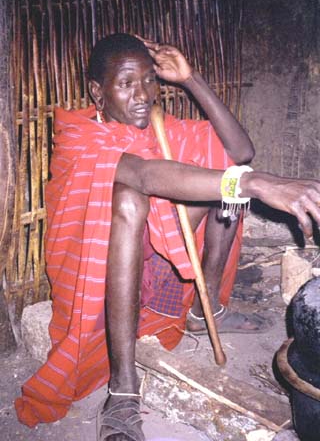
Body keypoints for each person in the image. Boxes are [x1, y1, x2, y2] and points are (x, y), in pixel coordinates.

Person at [15, 34, 320, 441]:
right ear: (97, 92)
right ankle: (123, 389)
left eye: (148, 81)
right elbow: (142, 174)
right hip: (105, 274)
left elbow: (239, 150)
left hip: (156, 265)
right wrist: (255, 183)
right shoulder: (79, 137)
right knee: (131, 197)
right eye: (126, 83)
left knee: (215, 170)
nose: (142, 95)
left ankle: (204, 308)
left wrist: (190, 79)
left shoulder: (162, 127)